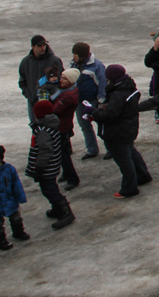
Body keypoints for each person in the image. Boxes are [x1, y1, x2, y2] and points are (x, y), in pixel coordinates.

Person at [26, 101, 75, 229]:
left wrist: (39, 167)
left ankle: (65, 211)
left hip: (46, 167)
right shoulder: (51, 125)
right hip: (52, 165)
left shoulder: (42, 131)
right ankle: (57, 209)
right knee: (50, 187)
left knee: (49, 190)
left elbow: (45, 151)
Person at [70, 42, 105, 160]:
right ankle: (92, 149)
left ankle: (111, 148)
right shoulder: (74, 65)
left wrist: (101, 100)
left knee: (102, 124)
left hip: (94, 100)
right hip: (80, 101)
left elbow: (102, 83)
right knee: (84, 125)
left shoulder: (97, 65)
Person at [18, 35, 63, 123]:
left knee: (53, 126)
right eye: (39, 46)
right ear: (33, 47)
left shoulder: (54, 60)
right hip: (33, 102)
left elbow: (62, 79)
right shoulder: (26, 62)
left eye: (44, 45)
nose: (42, 48)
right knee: (35, 126)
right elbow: (22, 82)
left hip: (51, 102)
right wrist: (29, 95)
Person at [50, 69, 81, 190]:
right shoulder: (67, 90)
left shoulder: (67, 95)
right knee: (63, 153)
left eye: (64, 78)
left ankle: (72, 178)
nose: (60, 80)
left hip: (61, 127)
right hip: (63, 126)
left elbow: (54, 110)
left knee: (62, 154)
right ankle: (67, 174)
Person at [0, 145, 31, 248]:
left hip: (10, 200)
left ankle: (18, 232)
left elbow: (16, 184)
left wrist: (20, 197)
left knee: (16, 217)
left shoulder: (9, 169)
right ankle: (1, 240)